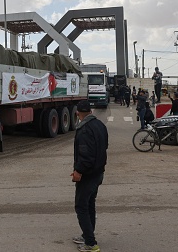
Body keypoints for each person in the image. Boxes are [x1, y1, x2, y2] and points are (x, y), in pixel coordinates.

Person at [71, 99, 108, 252]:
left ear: (78, 113)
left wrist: (78, 171)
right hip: (99, 172)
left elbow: (86, 156)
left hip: (88, 174)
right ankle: (87, 235)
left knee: (81, 206)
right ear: (91, 112)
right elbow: (104, 147)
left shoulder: (84, 129)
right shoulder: (100, 125)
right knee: (89, 204)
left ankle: (91, 244)